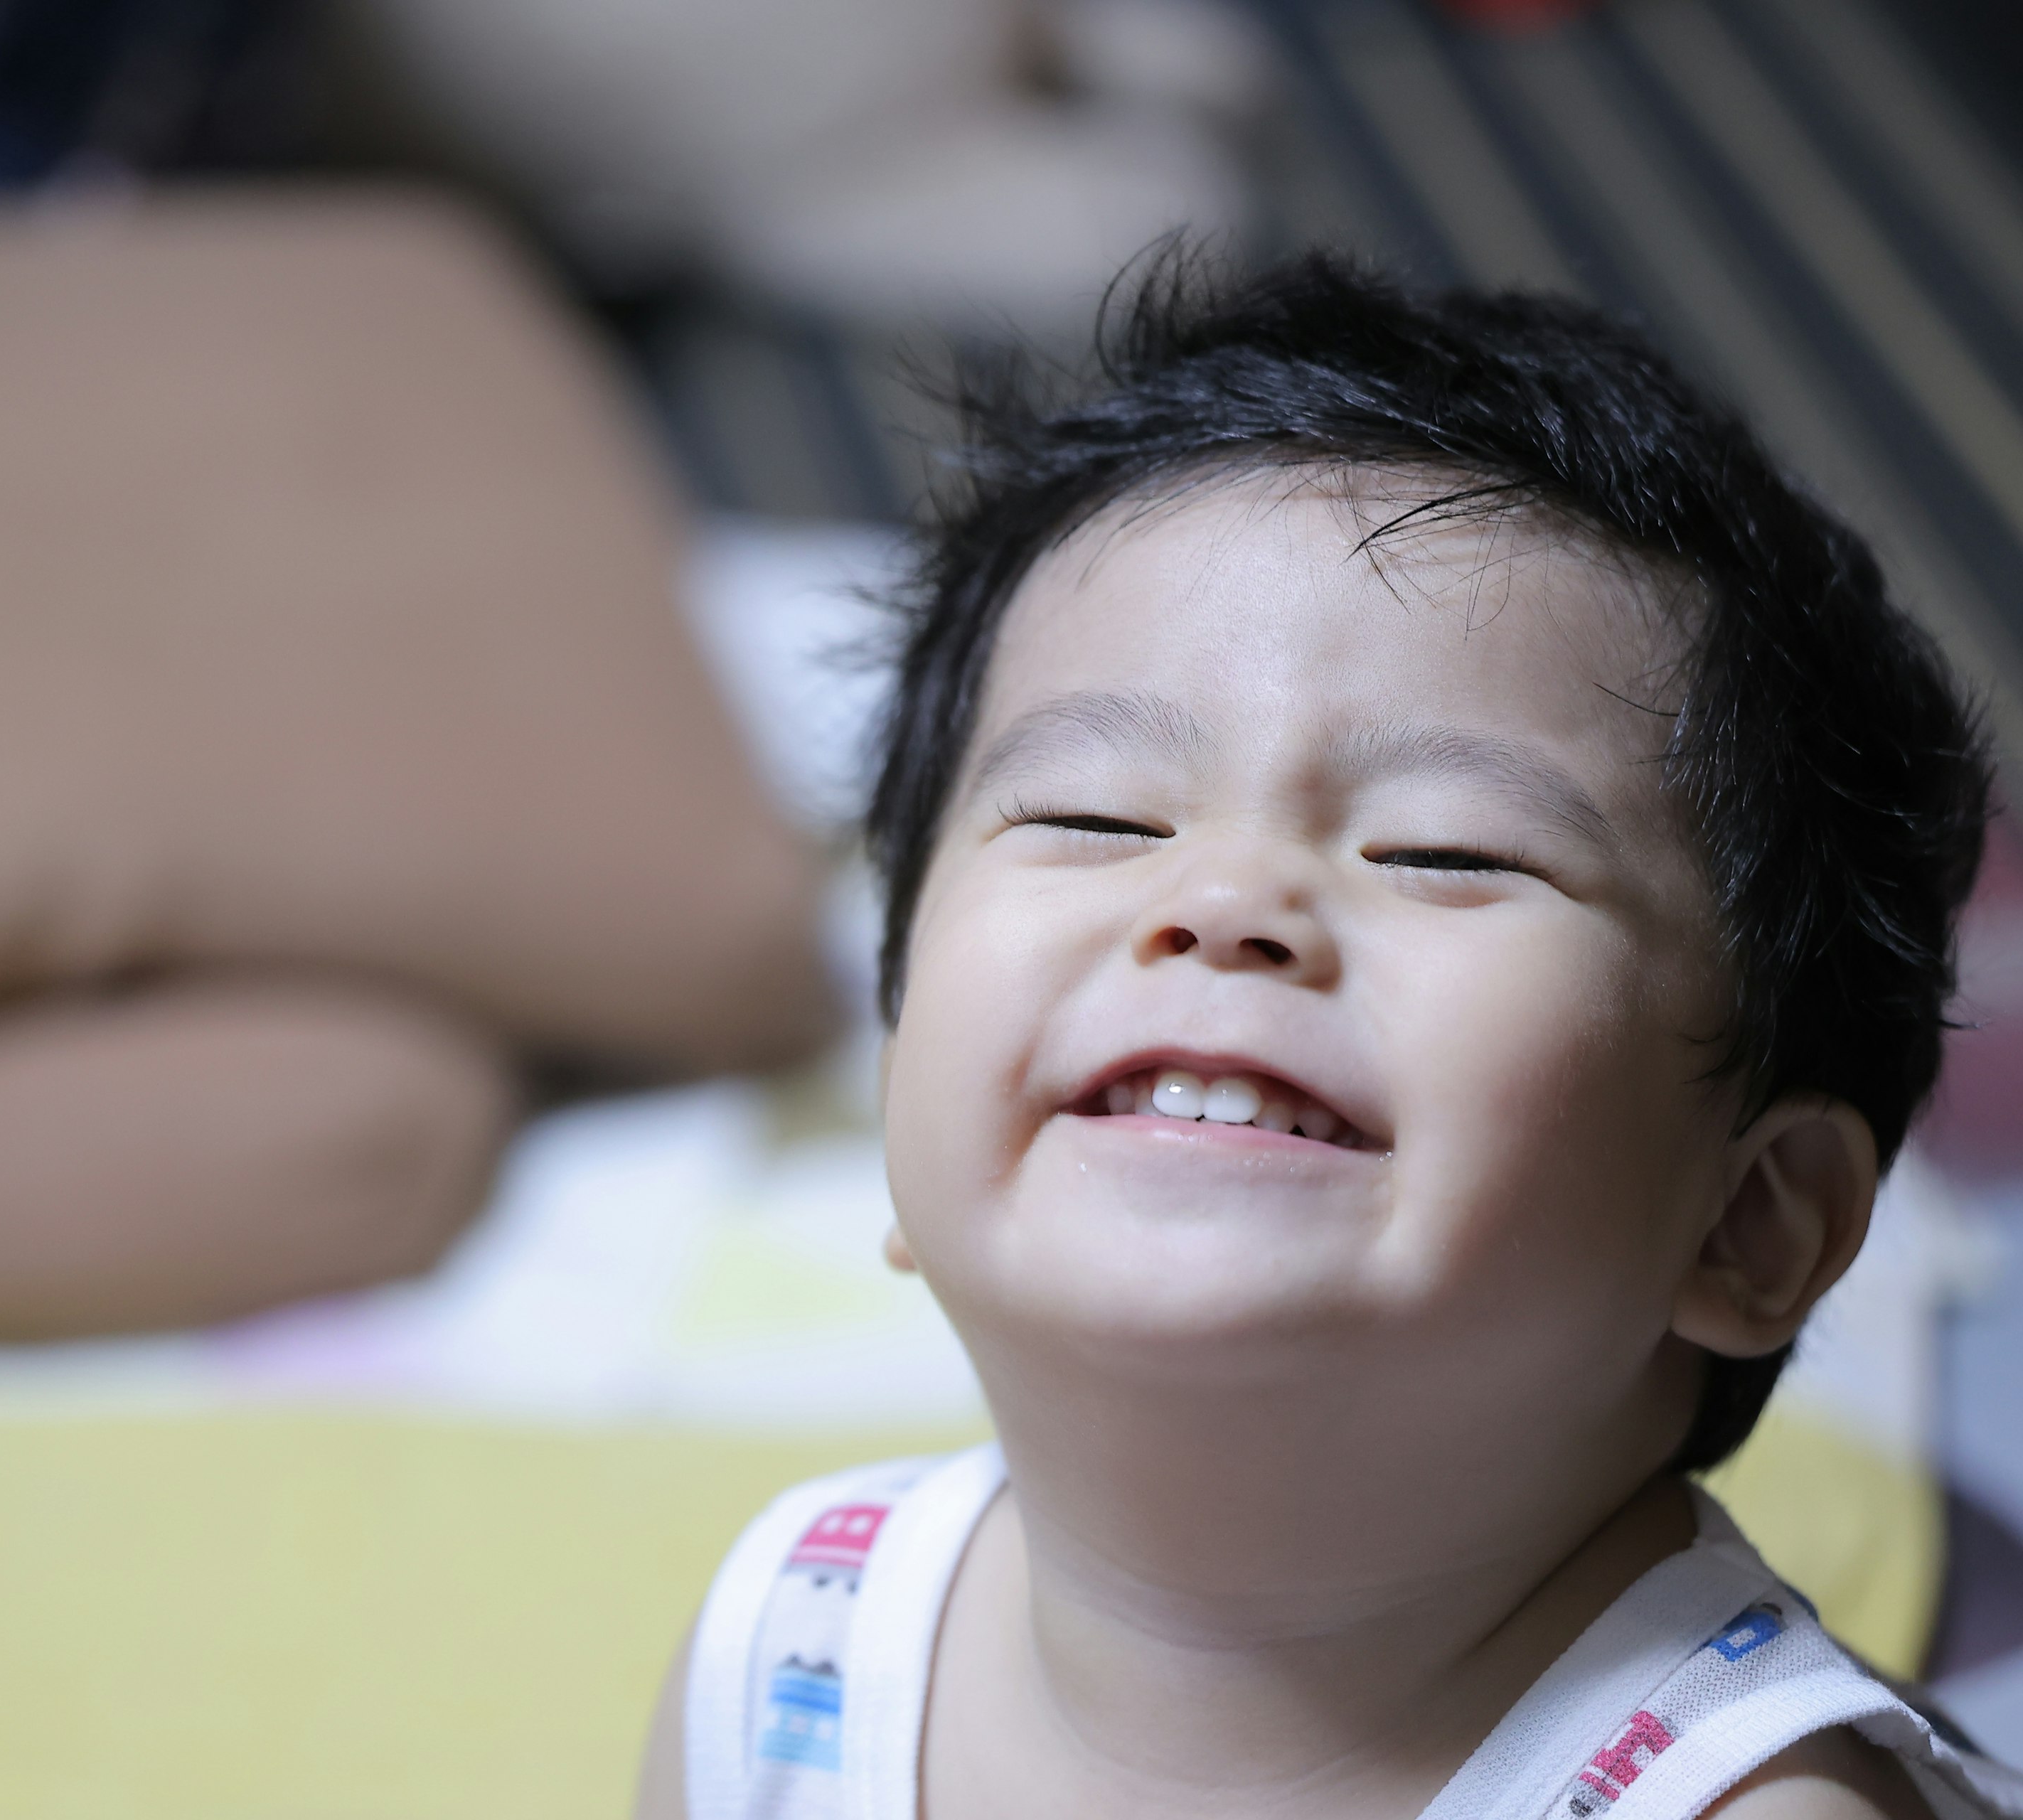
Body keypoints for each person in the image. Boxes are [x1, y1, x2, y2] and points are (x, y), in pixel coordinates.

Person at [634, 256, 2018, 1820]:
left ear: (1751, 1216)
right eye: (1094, 814)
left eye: (1445, 849)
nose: (1224, 895)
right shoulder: (792, 1660)